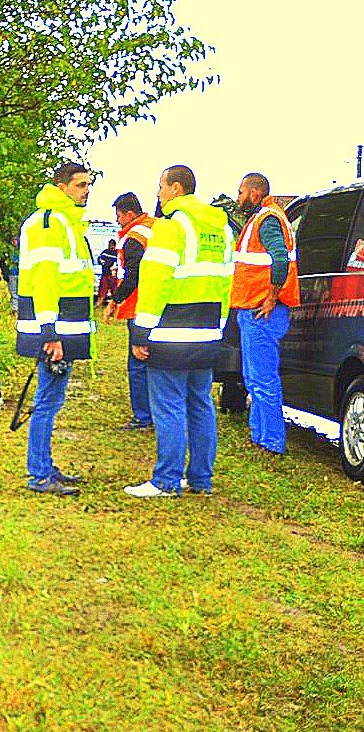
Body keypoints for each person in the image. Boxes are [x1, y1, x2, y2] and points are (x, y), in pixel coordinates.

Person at [124, 165, 232, 498]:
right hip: (208, 330)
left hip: (171, 332)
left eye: (160, 187)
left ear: (175, 188)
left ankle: (166, 481)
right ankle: (200, 479)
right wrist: (221, 326)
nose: (157, 194)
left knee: (169, 406)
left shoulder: (171, 228)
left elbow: (155, 282)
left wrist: (141, 333)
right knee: (201, 404)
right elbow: (228, 281)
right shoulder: (222, 229)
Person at [16, 163, 95, 496]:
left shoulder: (65, 222)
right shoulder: (50, 223)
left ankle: (45, 467)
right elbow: (46, 280)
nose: (87, 190)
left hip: (63, 329)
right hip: (55, 331)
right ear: (62, 187)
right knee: (46, 402)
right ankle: (39, 474)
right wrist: (50, 333)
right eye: (80, 185)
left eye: (89, 184)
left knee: (51, 400)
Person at [231, 172, 299, 454]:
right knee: (254, 378)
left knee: (263, 379)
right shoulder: (264, 217)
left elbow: (280, 258)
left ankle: (270, 442)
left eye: (241, 192)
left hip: (263, 311)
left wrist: (271, 298)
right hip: (255, 310)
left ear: (255, 192)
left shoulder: (267, 219)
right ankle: (260, 436)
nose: (238, 198)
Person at [104, 192, 155, 430]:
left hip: (138, 307)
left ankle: (143, 417)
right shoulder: (156, 227)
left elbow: (134, 275)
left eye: (119, 215)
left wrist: (116, 299)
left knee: (137, 364)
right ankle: (155, 412)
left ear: (130, 214)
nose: (117, 220)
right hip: (158, 305)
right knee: (155, 363)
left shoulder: (134, 237)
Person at [96, 239, 119, 304]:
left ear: (114, 246)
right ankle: (99, 303)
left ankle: (115, 305)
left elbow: (119, 263)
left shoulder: (117, 253)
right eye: (109, 245)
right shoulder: (105, 252)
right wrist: (101, 261)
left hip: (113, 276)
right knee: (102, 291)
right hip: (105, 275)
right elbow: (99, 259)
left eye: (112, 245)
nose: (110, 246)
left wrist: (114, 267)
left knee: (115, 292)